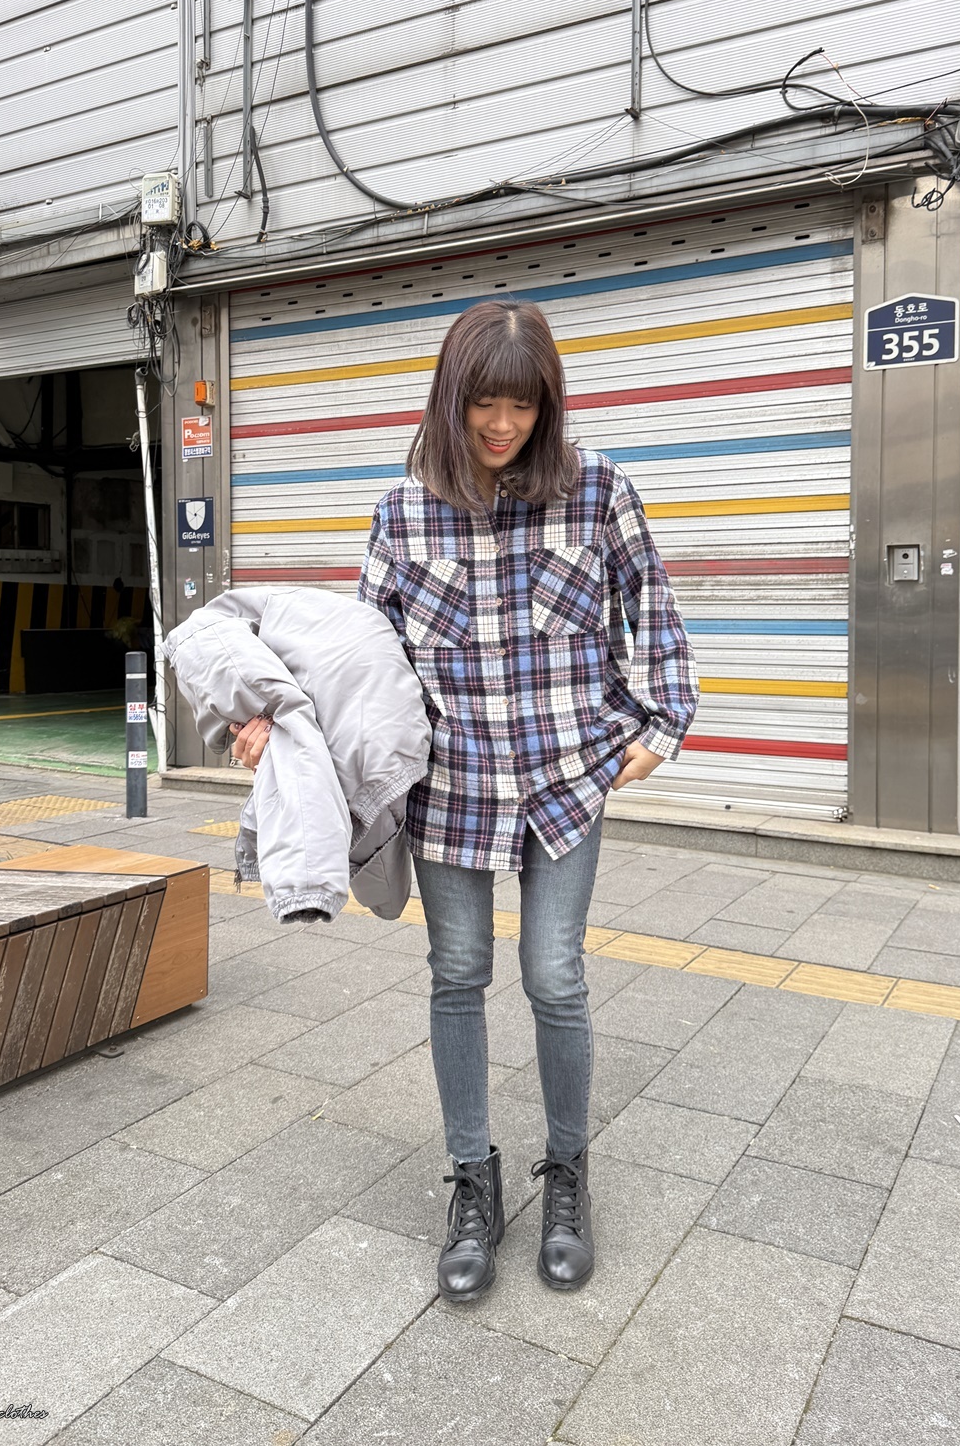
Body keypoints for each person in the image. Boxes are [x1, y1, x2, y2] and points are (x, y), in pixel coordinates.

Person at [232, 298, 697, 1303]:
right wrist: (274, 720)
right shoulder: (404, 512)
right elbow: (355, 656)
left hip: (568, 774)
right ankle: (472, 1182)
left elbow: (652, 606)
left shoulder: (598, 490)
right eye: (484, 404)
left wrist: (662, 724)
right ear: (452, 400)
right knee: (457, 972)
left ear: (547, 405)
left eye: (522, 407)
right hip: (450, 783)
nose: (502, 425)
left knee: (555, 976)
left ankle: (566, 1177)